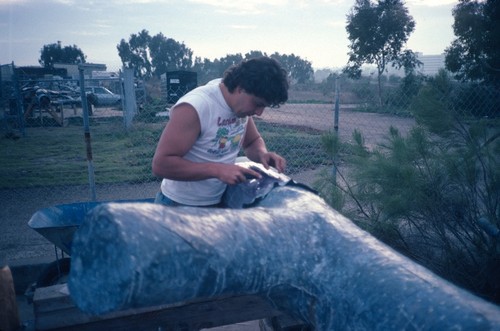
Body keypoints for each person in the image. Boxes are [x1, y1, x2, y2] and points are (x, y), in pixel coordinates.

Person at [152, 57, 289, 207]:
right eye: (257, 104)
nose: (259, 113)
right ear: (240, 88)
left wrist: (262, 154)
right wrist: (216, 169)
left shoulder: (239, 107)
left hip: (216, 202)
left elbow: (252, 142)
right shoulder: (197, 107)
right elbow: (161, 165)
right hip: (178, 205)